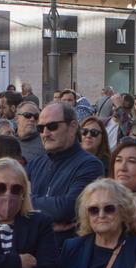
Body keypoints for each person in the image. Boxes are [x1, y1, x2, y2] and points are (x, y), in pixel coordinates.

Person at [26, 101, 103, 237]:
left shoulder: (90, 165)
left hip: (67, 252)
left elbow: (67, 208)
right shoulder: (34, 165)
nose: (45, 133)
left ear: (72, 127)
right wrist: (47, 225)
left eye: (52, 126)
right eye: (40, 128)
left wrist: (26, 201)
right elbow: (12, 204)